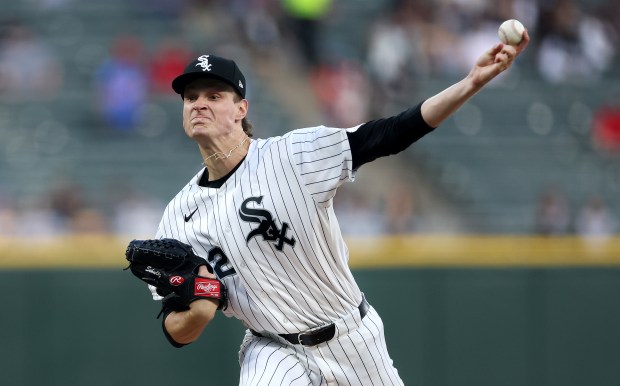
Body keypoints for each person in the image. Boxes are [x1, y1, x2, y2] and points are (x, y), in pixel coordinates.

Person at [149, 29, 529, 385]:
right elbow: (174, 326)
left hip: (351, 338)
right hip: (272, 348)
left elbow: (391, 133)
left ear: (241, 109)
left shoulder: (293, 156)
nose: (199, 104)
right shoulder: (179, 216)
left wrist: (471, 82)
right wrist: (196, 313)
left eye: (214, 96)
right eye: (191, 97)